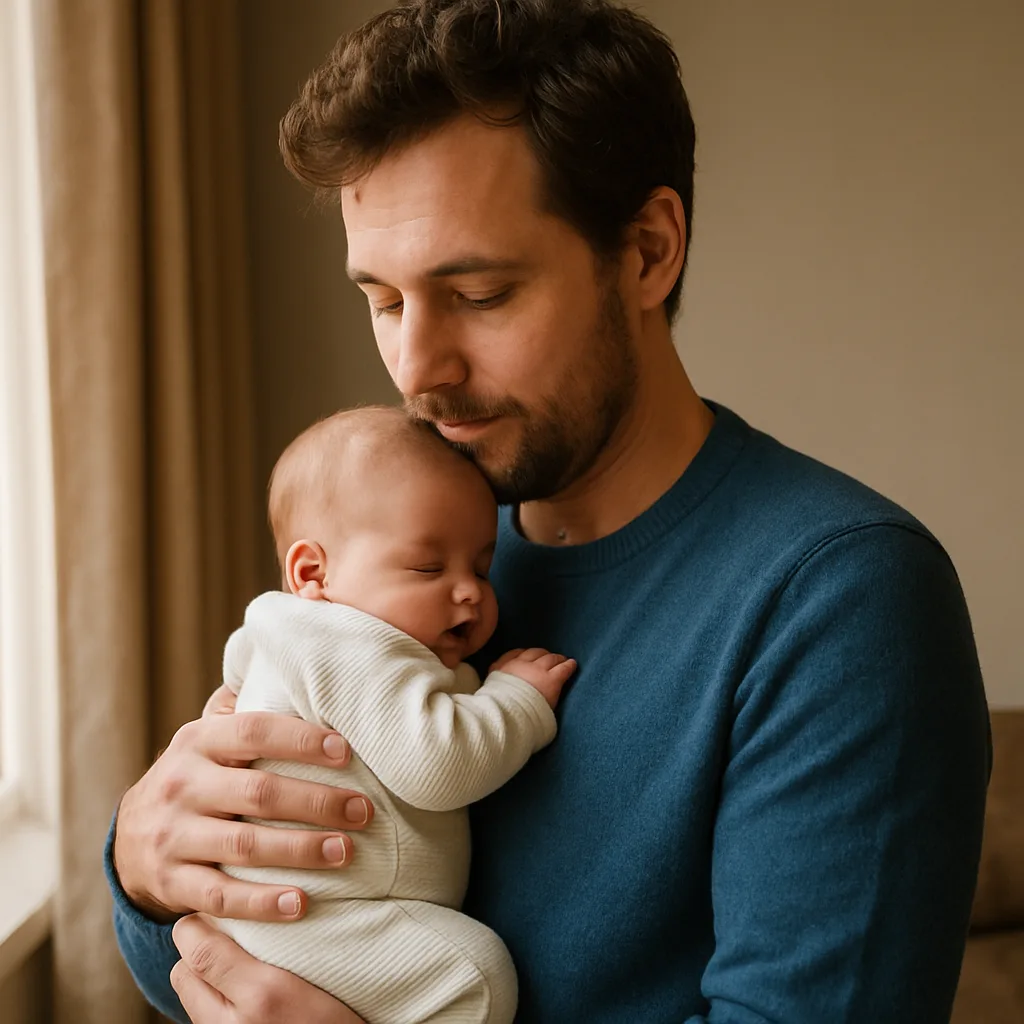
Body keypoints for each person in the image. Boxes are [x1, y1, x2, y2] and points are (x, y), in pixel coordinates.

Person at [106, 2, 991, 1022]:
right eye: (384, 301)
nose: (416, 370)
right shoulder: (413, 563)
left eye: (478, 293)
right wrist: (141, 864)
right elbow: (226, 962)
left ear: (650, 251)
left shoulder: (841, 601)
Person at [213, 406, 575, 1023]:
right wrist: (516, 700)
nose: (469, 591)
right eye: (428, 568)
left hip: (298, 912)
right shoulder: (344, 640)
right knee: (474, 977)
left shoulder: (294, 638)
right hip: (321, 917)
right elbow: (437, 764)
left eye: (481, 567)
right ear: (314, 573)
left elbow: (230, 693)